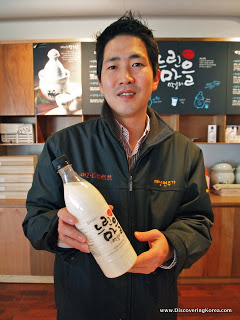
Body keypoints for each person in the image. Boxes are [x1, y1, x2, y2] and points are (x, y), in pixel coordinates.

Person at [23, 11, 214, 320]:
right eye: (113, 66)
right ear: (100, 81)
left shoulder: (186, 151)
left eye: (137, 64)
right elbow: (35, 218)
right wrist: (55, 230)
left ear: (156, 77)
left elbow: (198, 223)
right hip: (84, 305)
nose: (125, 76)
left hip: (154, 304)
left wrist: (170, 246)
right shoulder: (62, 147)